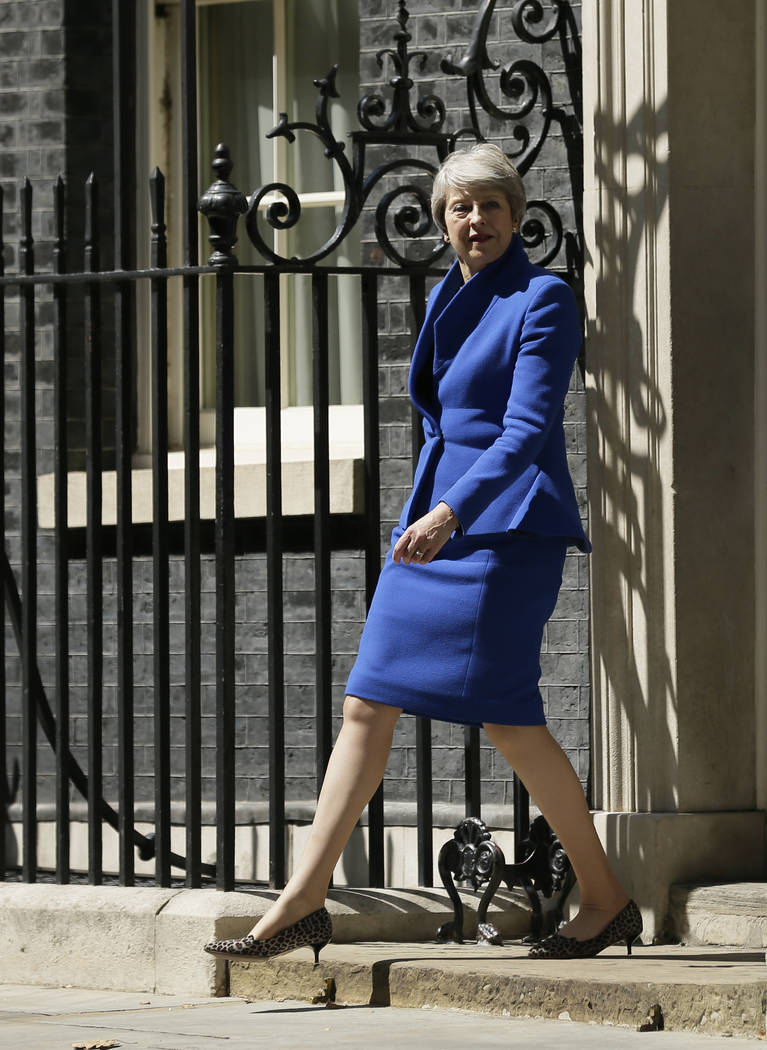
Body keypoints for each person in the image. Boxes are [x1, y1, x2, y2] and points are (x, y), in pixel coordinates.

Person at [205, 143, 641, 965]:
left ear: (515, 215)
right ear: (443, 223)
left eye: (489, 205)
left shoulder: (541, 299)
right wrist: (428, 514)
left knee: (508, 718)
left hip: (501, 529)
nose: (474, 220)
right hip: (432, 531)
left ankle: (606, 897)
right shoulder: (449, 294)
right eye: (458, 208)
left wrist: (450, 511)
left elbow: (525, 432)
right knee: (366, 703)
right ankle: (303, 901)